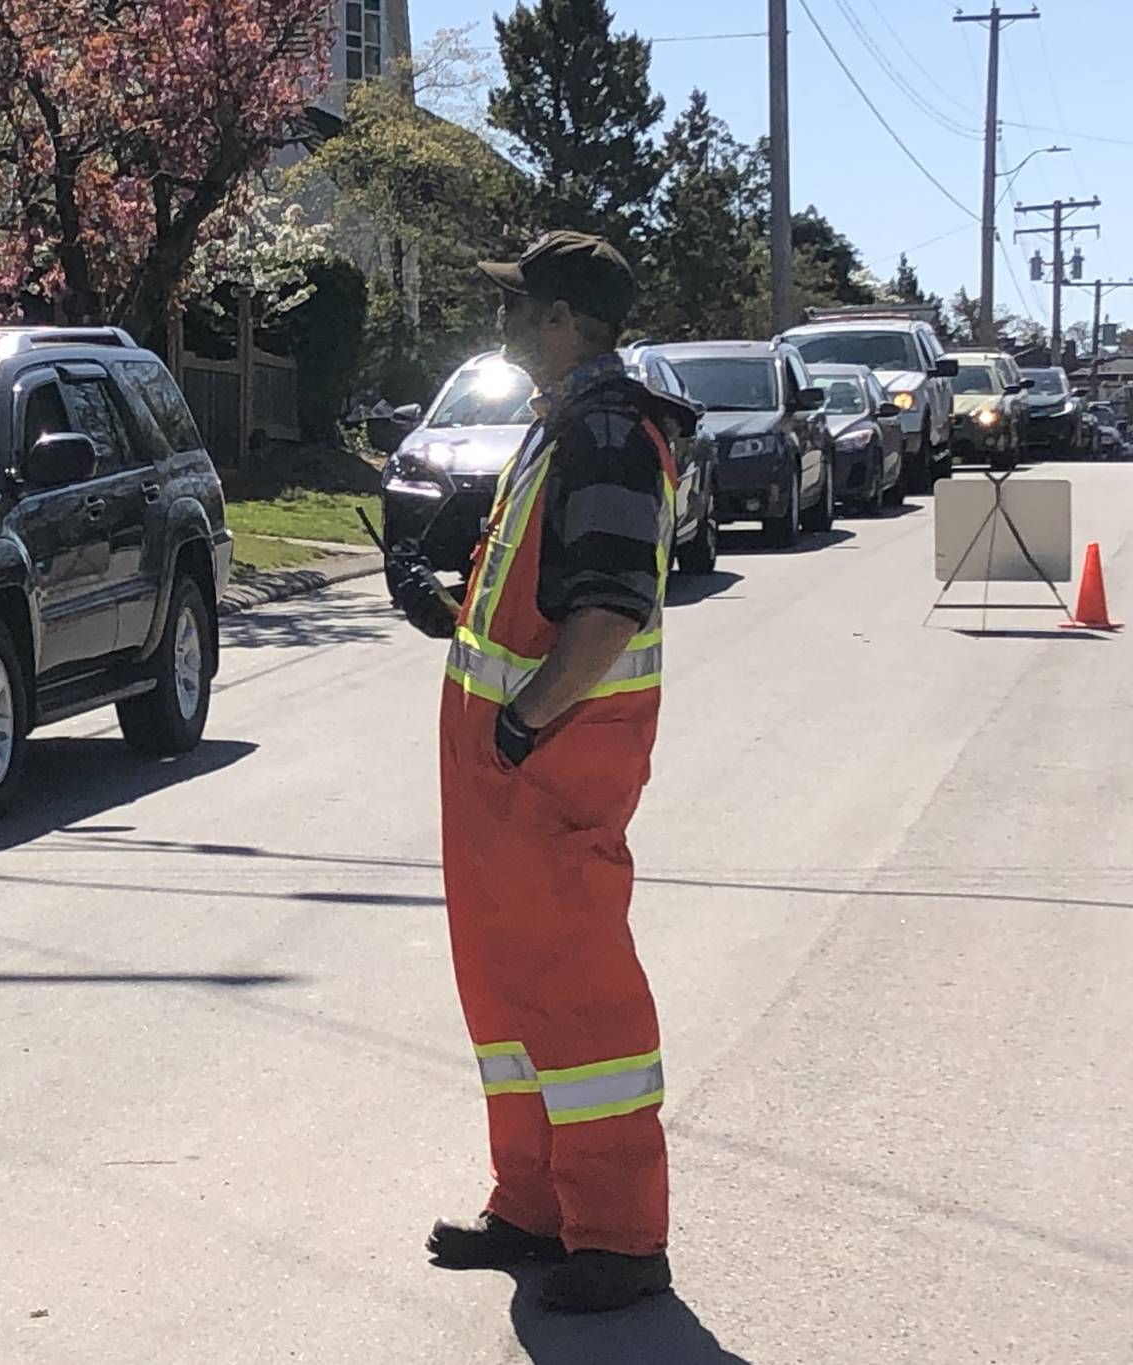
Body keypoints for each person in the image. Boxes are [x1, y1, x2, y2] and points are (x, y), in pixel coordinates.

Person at [386, 230, 697, 1313]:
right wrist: (448, 609)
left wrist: (524, 724)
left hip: (548, 774)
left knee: (575, 1002)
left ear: (566, 320)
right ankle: (534, 1209)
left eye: (521, 305)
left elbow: (608, 611)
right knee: (508, 995)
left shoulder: (607, 432)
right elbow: (541, 600)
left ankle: (616, 1240)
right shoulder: (566, 424)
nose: (506, 320)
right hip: (503, 780)